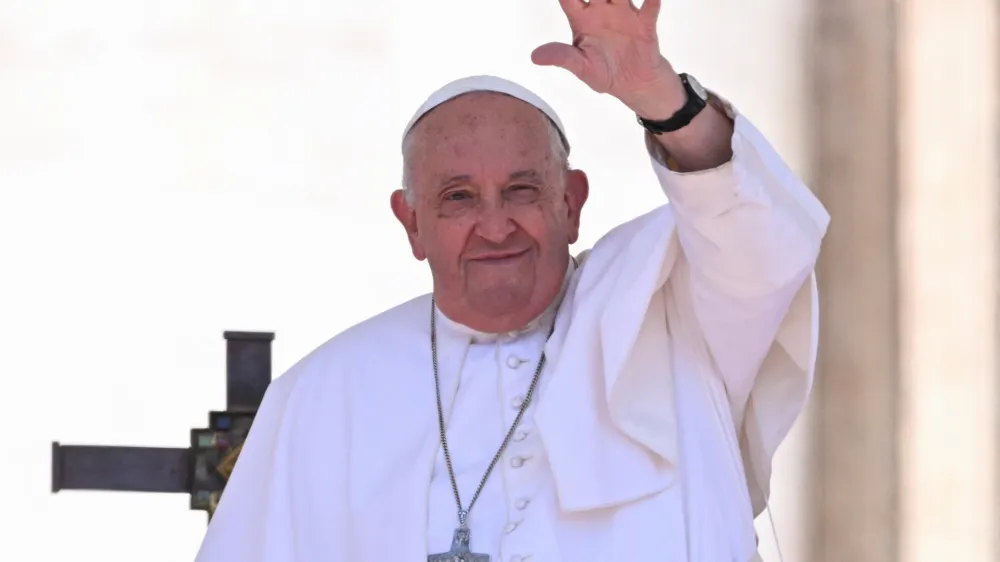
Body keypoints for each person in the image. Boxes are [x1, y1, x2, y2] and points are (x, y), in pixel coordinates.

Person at [195, 0, 829, 560]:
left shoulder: (670, 312)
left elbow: (766, 239)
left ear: (572, 203)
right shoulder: (322, 397)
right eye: (458, 198)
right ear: (411, 224)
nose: (495, 227)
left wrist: (662, 99)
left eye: (522, 190)